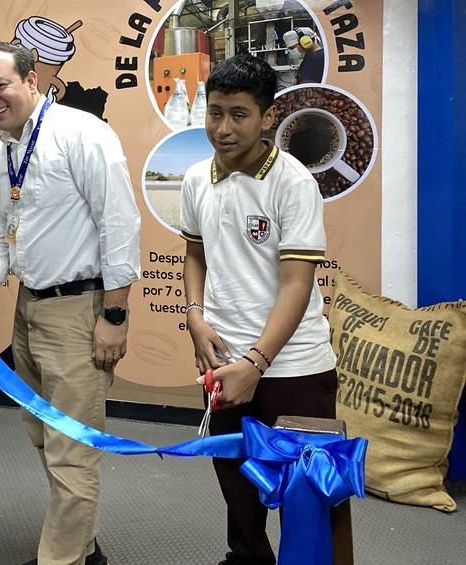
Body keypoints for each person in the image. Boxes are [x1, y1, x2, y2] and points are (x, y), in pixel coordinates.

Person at [0, 42, 141, 565]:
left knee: (73, 450)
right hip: (29, 309)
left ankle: (60, 560)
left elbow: (120, 225)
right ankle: (83, 547)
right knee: (43, 434)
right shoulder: (1, 152)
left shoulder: (82, 134)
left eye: (1, 85)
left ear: (32, 80)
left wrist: (113, 316)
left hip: (80, 312)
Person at [180, 54, 338, 565]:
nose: (222, 128)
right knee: (237, 489)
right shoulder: (195, 179)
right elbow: (195, 254)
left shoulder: (293, 183)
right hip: (224, 360)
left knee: (305, 498)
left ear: (268, 116)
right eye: (214, 112)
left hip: (293, 366)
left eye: (238, 114)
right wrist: (195, 315)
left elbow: (297, 284)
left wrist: (256, 364)